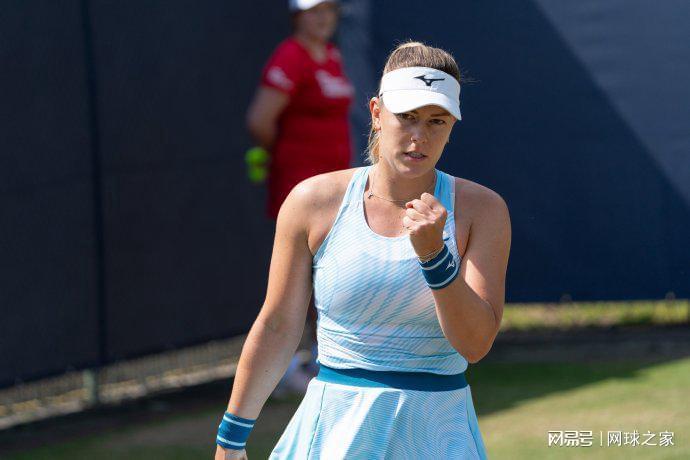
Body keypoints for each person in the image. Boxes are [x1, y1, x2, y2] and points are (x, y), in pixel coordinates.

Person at [216, 41, 511, 459]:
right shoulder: (311, 201)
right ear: (376, 113)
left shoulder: (484, 210)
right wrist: (230, 440)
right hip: (331, 435)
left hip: (437, 436)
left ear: (451, 127)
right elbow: (278, 325)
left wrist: (435, 259)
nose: (419, 136)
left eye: (436, 121)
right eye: (406, 116)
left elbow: (475, 344)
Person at [245, 0, 354, 394]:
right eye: (314, 11)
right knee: (301, 276)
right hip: (300, 189)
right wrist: (289, 156)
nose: (323, 18)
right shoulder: (290, 56)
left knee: (329, 272)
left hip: (336, 188)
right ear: (297, 16)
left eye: (329, 10)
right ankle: (286, 366)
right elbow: (260, 120)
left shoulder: (332, 55)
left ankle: (321, 357)